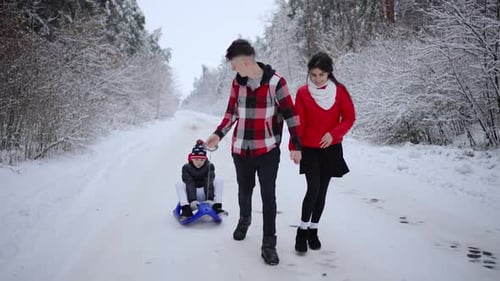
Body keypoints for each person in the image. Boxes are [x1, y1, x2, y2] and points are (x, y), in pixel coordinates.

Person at [205, 39, 302, 265]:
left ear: (247, 62)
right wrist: (218, 134)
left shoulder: (276, 82)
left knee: (268, 195)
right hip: (241, 150)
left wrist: (296, 145)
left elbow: (291, 115)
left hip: (267, 150)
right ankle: (244, 219)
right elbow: (231, 114)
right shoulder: (237, 83)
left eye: (234, 65)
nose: (233, 69)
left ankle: (269, 243)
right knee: (244, 190)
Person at [294, 52, 355, 253]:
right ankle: (302, 231)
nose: (317, 79)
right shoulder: (303, 93)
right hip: (310, 149)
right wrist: (295, 147)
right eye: (313, 75)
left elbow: (349, 118)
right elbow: (298, 123)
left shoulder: (340, 91)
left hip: (331, 148)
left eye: (321, 74)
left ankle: (314, 230)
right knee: (313, 188)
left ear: (329, 73)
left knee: (322, 191)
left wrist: (334, 134)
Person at [175, 139, 224, 220]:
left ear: (205, 159)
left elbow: (208, 182)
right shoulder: (186, 168)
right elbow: (189, 183)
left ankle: (217, 207)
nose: (199, 162)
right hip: (192, 195)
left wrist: (210, 199)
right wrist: (192, 201)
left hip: (206, 193)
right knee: (179, 183)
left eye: (202, 160)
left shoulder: (209, 166)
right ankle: (186, 209)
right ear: (192, 158)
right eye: (196, 159)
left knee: (219, 180)